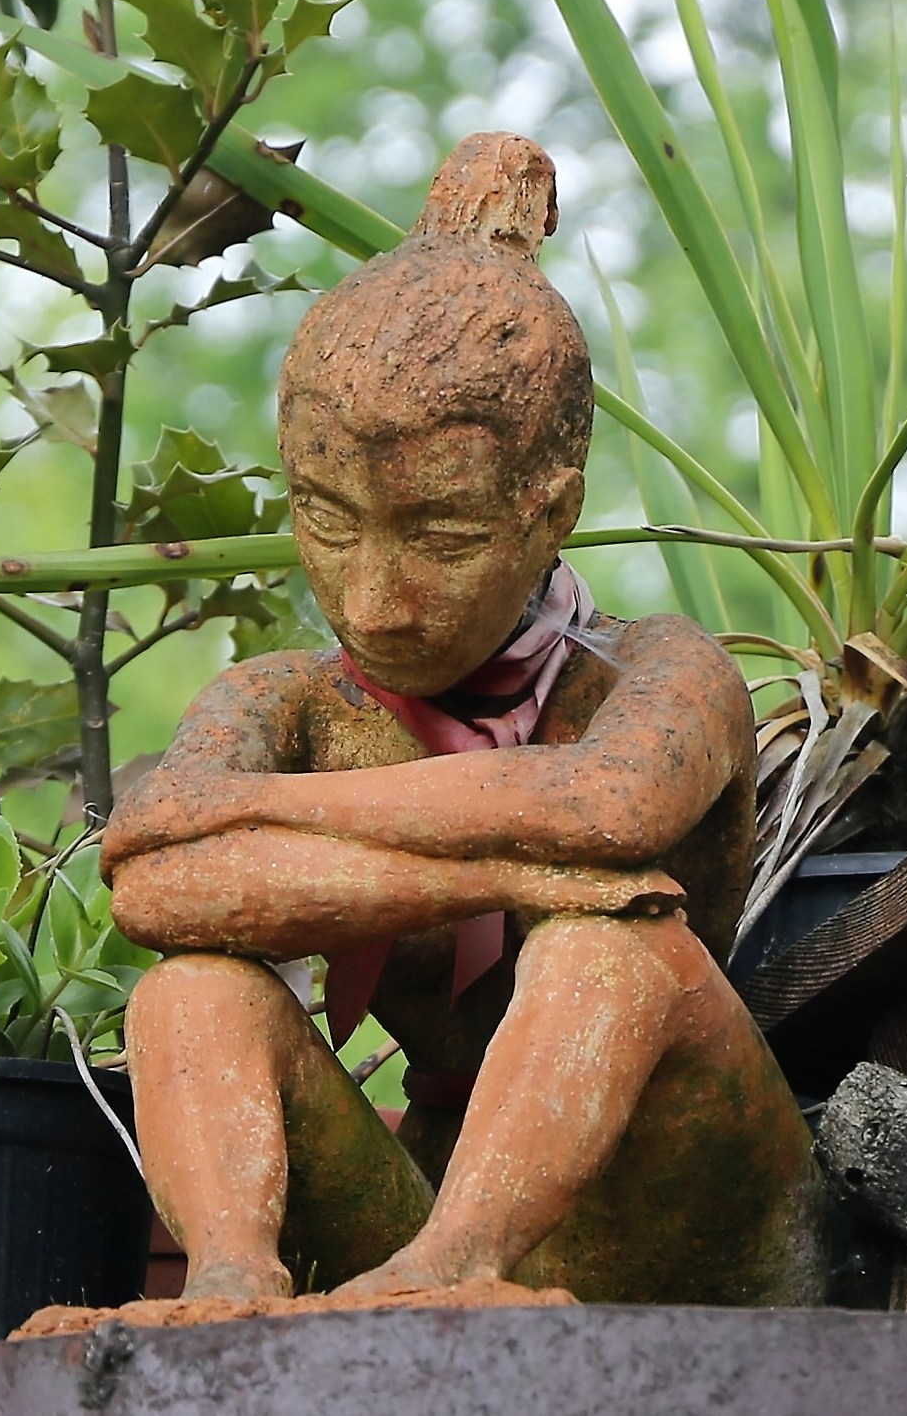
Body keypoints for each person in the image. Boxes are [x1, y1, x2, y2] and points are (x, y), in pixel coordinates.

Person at [100, 132, 828, 1309]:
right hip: (405, 1218)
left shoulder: (662, 671)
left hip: (682, 1225)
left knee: (612, 941)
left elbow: (612, 805)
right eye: (329, 523)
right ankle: (230, 1288)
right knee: (192, 986)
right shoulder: (285, 701)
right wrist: (507, 861)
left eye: (441, 538)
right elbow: (158, 893)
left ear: (551, 517)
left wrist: (259, 819)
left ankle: (460, 1262)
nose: (374, 598)